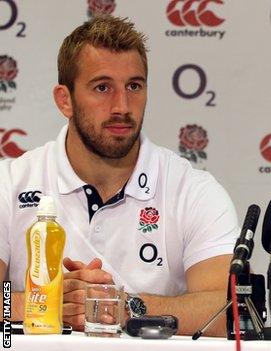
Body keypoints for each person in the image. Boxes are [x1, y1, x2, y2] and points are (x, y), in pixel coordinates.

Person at [0, 16, 238, 336]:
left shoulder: (192, 190)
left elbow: (228, 309)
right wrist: (47, 302)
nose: (122, 106)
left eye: (134, 86)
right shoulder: (10, 183)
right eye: (102, 87)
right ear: (64, 100)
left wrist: (123, 306)